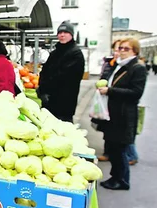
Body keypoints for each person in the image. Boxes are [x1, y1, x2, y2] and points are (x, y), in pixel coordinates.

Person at [97, 38, 147, 190]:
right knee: (113, 148)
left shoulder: (137, 68)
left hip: (124, 115)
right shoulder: (120, 66)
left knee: (120, 150)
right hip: (114, 114)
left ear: (135, 51)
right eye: (121, 48)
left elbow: (136, 92)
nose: (122, 51)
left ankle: (122, 181)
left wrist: (110, 91)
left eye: (126, 49)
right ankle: (115, 177)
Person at [36, 21, 85, 122]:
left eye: (65, 32)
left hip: (64, 103)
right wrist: (41, 89)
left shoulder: (75, 54)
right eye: (60, 32)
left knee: (63, 132)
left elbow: (65, 77)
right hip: (49, 101)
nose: (62, 35)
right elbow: (44, 71)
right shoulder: (55, 53)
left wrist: (46, 89)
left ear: (71, 35)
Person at [97, 40, 120, 162]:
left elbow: (135, 92)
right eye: (116, 49)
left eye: (122, 49)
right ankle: (108, 153)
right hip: (108, 103)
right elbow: (105, 77)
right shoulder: (111, 64)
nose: (118, 52)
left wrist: (109, 90)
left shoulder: (126, 67)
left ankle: (131, 156)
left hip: (120, 107)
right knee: (109, 131)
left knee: (122, 139)